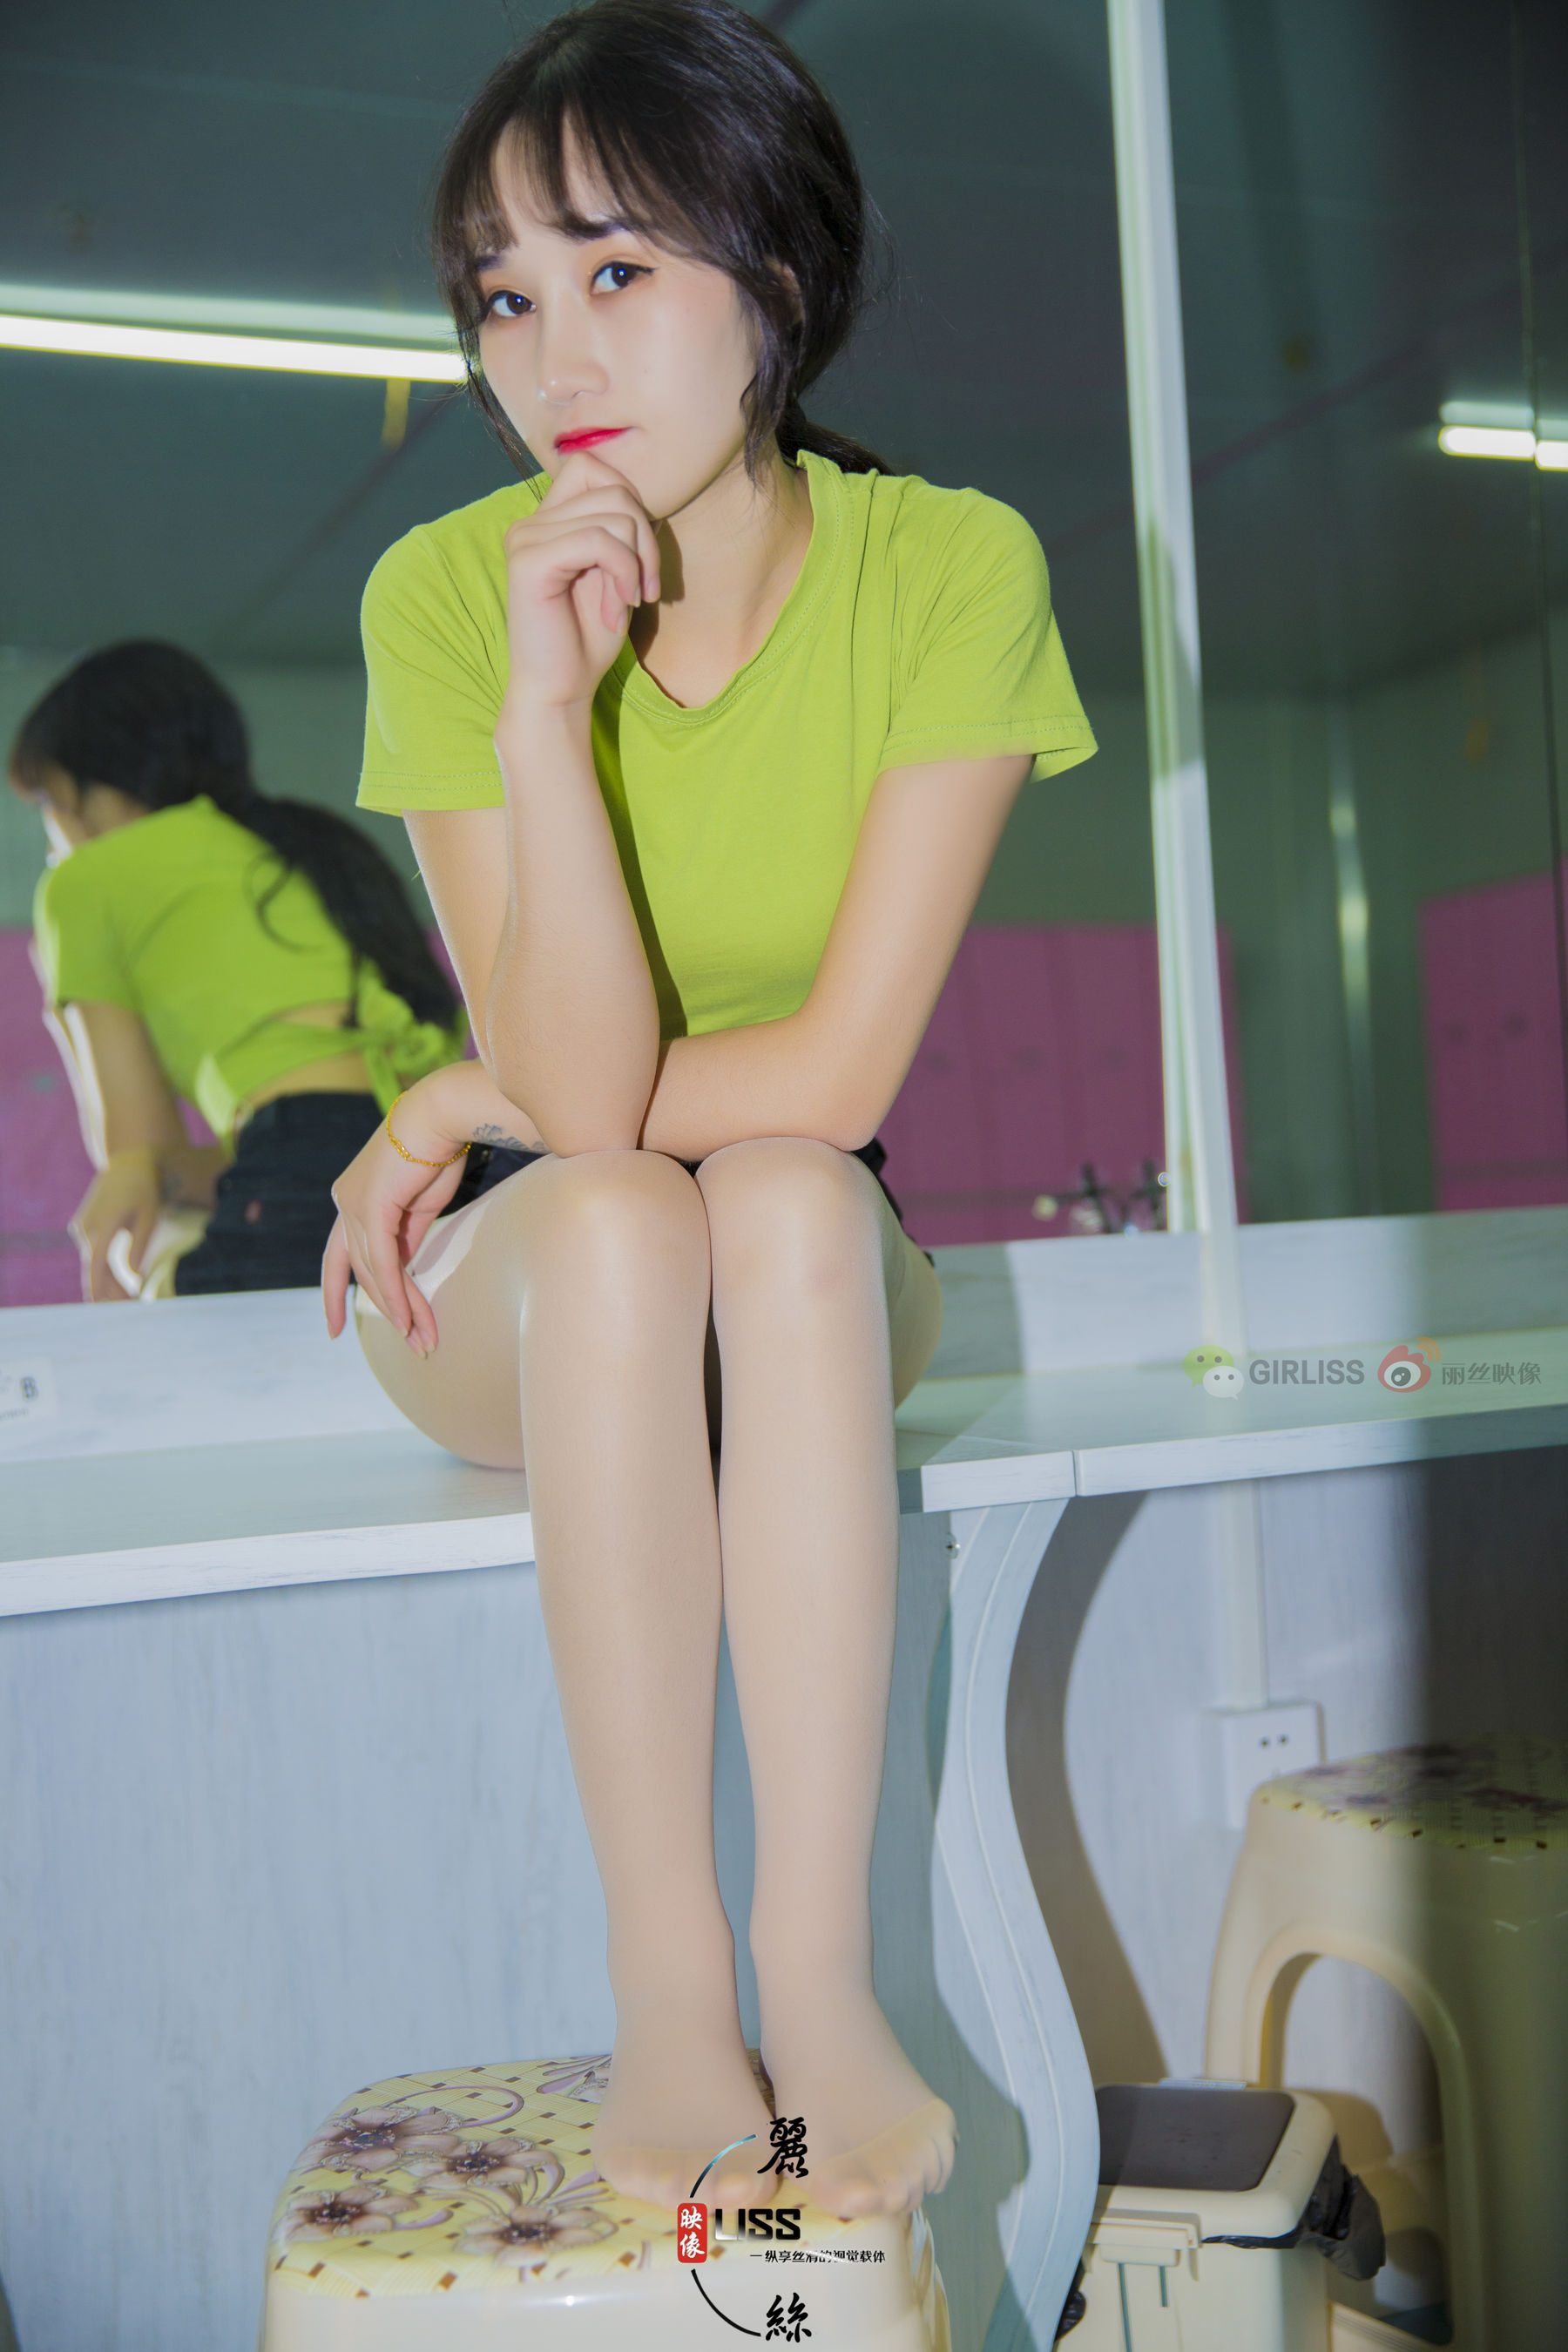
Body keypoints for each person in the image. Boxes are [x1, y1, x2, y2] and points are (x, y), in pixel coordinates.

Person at [324, 0, 1097, 2223]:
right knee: (628, 1211)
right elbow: (584, 1123)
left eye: (615, 267)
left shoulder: (949, 566)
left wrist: (450, 1080)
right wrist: (543, 716)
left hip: (800, 1266)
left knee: (777, 1188)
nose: (550, 350)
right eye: (502, 294)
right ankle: (672, 1975)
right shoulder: (444, 595)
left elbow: (842, 1082)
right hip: (532, 1288)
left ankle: (818, 1974)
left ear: (776, 270)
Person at [10, 640, 468, 1299]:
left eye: (47, 803)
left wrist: (63, 1004)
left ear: (93, 791)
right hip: (440, 1165)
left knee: (167, 1280)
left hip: (301, 1163)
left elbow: (139, 1154)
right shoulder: (313, 845)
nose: (54, 837)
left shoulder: (85, 880)